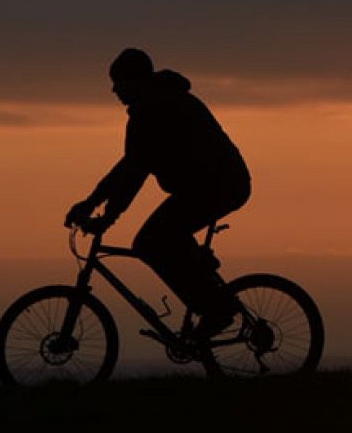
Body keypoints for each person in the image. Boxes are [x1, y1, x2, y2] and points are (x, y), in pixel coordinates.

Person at [65, 48, 252, 339]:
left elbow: (135, 171)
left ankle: (215, 310)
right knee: (165, 239)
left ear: (136, 80)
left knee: (150, 242)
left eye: (119, 82)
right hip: (210, 185)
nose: (114, 90)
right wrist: (93, 204)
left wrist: (104, 215)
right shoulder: (155, 104)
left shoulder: (155, 109)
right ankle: (207, 289)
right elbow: (130, 166)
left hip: (216, 185)